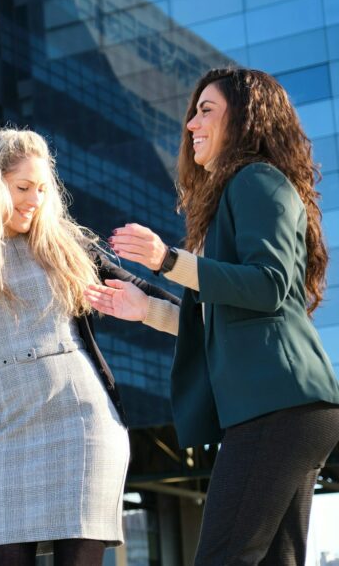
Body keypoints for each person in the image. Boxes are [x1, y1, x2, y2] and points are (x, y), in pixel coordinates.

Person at [89, 68, 339, 564]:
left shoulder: (257, 179)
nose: (190, 124)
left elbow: (268, 286)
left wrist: (166, 260)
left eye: (207, 110)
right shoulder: (239, 193)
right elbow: (226, 317)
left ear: (244, 120)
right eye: (192, 111)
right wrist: (149, 310)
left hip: (276, 404)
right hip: (290, 408)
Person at [0, 128, 178, 565]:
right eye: (23, 187)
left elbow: (155, 300)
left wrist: (209, 311)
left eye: (42, 189)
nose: (34, 199)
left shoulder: (68, 245)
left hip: (80, 422)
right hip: (4, 431)